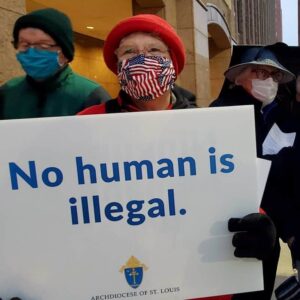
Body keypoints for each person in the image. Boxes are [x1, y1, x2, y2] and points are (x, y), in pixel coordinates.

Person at [78, 14, 277, 300]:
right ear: (118, 65)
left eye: (154, 51)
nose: (141, 59)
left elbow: (232, 190)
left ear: (173, 64)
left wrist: (261, 230)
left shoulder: (210, 128)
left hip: (197, 283)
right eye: (130, 52)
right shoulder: (85, 124)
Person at [211, 45, 296, 300]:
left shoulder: (282, 116)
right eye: (259, 72)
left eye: (273, 75)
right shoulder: (219, 113)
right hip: (229, 233)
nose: (268, 80)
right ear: (238, 77)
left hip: (267, 236)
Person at [0, 8, 111, 119]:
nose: (32, 52)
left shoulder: (91, 96)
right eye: (25, 45)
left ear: (64, 53)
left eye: (43, 46)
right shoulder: (8, 93)